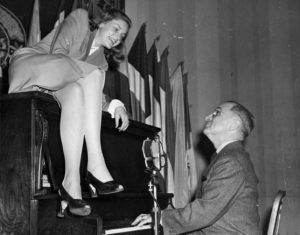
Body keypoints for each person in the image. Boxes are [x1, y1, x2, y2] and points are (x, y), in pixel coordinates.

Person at [8, 7, 132, 217]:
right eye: (116, 28)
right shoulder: (81, 19)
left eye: (122, 36)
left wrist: (114, 105)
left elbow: (89, 93)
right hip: (31, 68)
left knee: (76, 92)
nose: (117, 37)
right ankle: (95, 164)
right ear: (102, 22)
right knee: (91, 76)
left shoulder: (100, 62)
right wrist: (107, 97)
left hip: (53, 86)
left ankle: (71, 184)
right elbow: (58, 56)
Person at [132, 101, 261, 235]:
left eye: (217, 113)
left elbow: (206, 211)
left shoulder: (231, 161)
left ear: (233, 124)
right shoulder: (229, 156)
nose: (207, 117)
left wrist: (161, 218)